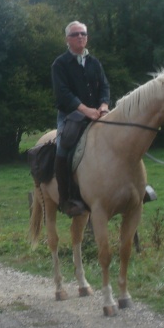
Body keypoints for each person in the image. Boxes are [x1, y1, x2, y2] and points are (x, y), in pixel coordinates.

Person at [51, 21, 110, 217]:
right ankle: (66, 199)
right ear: (67, 39)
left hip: (97, 113)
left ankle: (134, 189)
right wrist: (86, 110)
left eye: (83, 33)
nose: (80, 37)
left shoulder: (94, 62)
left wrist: (103, 106)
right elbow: (63, 94)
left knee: (122, 140)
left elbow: (104, 86)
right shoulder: (59, 64)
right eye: (75, 34)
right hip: (70, 117)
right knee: (63, 149)